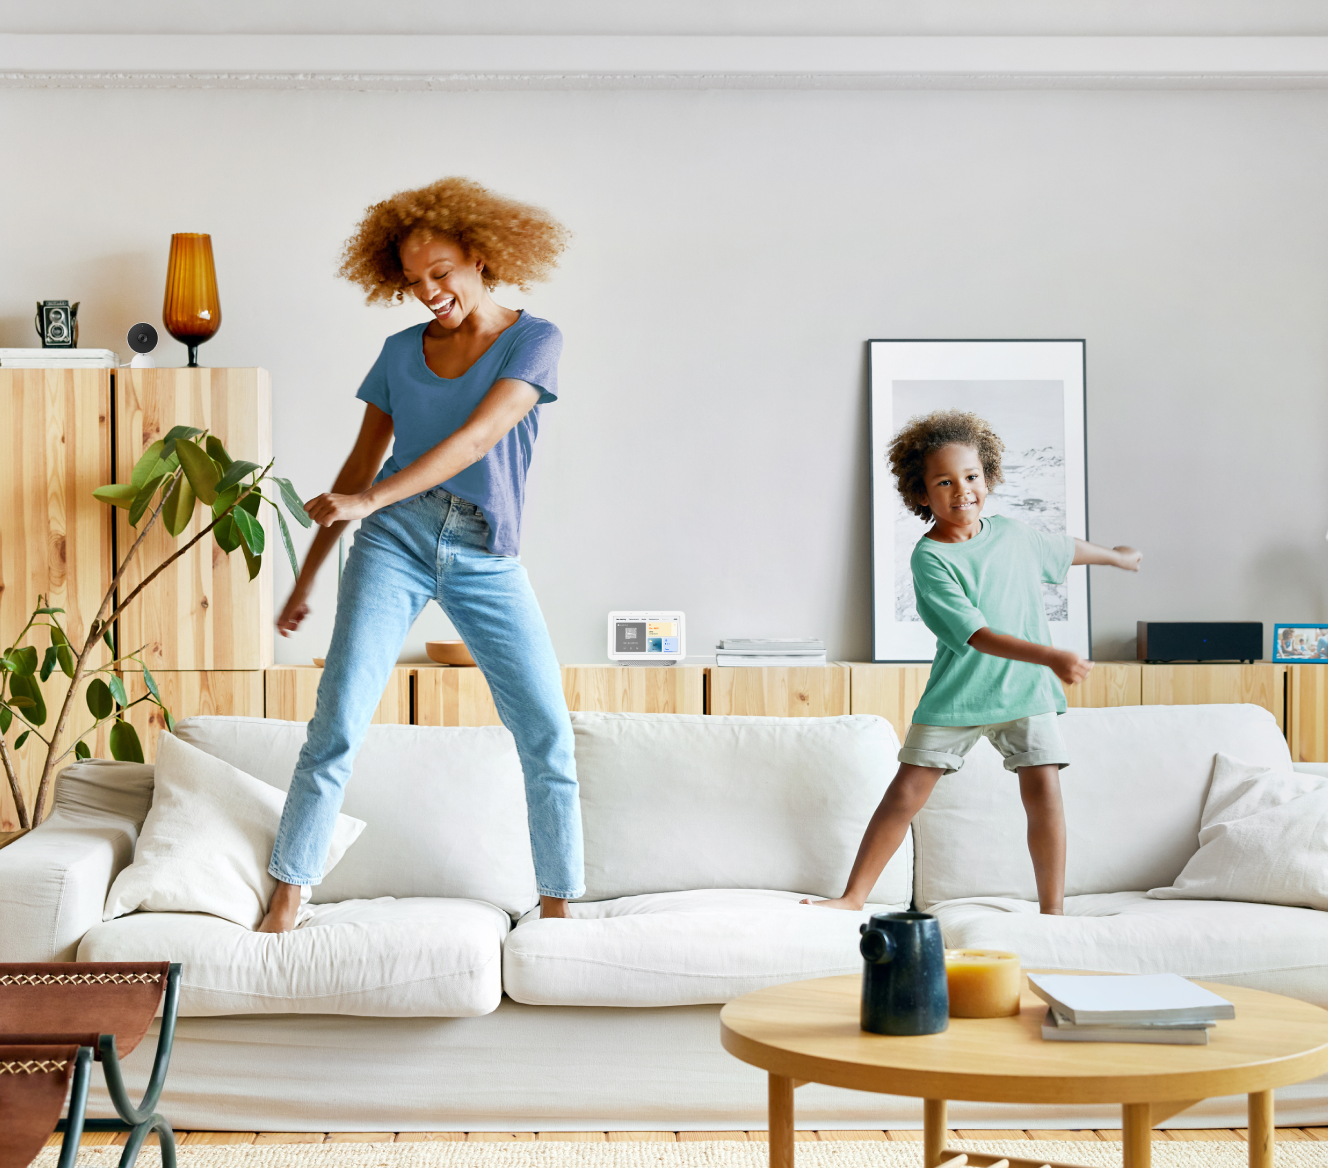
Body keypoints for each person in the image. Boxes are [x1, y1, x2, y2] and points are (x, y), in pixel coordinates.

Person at [258, 177, 583, 932]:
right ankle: (286, 899)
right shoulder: (399, 354)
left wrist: (369, 498)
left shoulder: (535, 341)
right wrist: (307, 576)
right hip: (393, 544)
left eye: (441, 273)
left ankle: (561, 911)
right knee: (336, 724)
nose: (429, 293)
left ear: (481, 254)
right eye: (413, 282)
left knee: (546, 733)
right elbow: (355, 469)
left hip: (483, 550)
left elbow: (476, 438)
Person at [807, 409, 1142, 916]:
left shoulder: (1012, 533)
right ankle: (853, 897)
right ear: (921, 494)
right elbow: (978, 635)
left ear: (988, 478)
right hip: (959, 695)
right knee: (905, 795)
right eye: (944, 481)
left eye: (972, 477)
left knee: (1044, 793)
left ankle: (1053, 911)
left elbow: (1064, 548)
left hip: (1025, 693)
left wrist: (1116, 556)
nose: (962, 489)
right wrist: (1050, 655)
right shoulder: (930, 559)